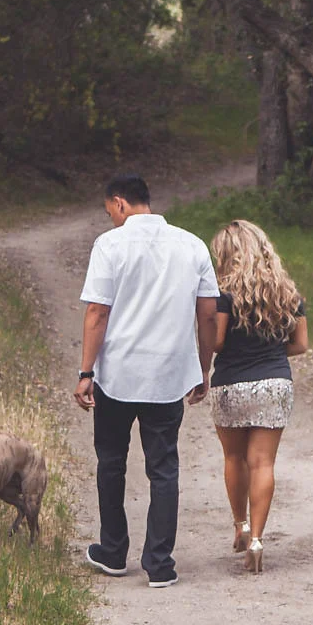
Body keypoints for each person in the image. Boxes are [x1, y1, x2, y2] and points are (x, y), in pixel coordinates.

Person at [74, 173, 220, 588]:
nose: (112, 220)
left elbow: (97, 314)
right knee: (164, 468)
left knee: (111, 462)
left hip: (118, 374)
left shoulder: (110, 245)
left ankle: (113, 550)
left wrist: (86, 372)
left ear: (120, 204)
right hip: (168, 375)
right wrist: (203, 367)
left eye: (110, 213)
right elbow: (207, 314)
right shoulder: (192, 245)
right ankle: (159, 563)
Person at [207, 220, 308, 573]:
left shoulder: (222, 296)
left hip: (231, 385)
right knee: (263, 463)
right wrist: (272, 355)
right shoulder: (288, 294)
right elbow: (301, 345)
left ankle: (241, 525)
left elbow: (217, 342)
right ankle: (259, 540)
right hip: (274, 385)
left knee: (235, 458)